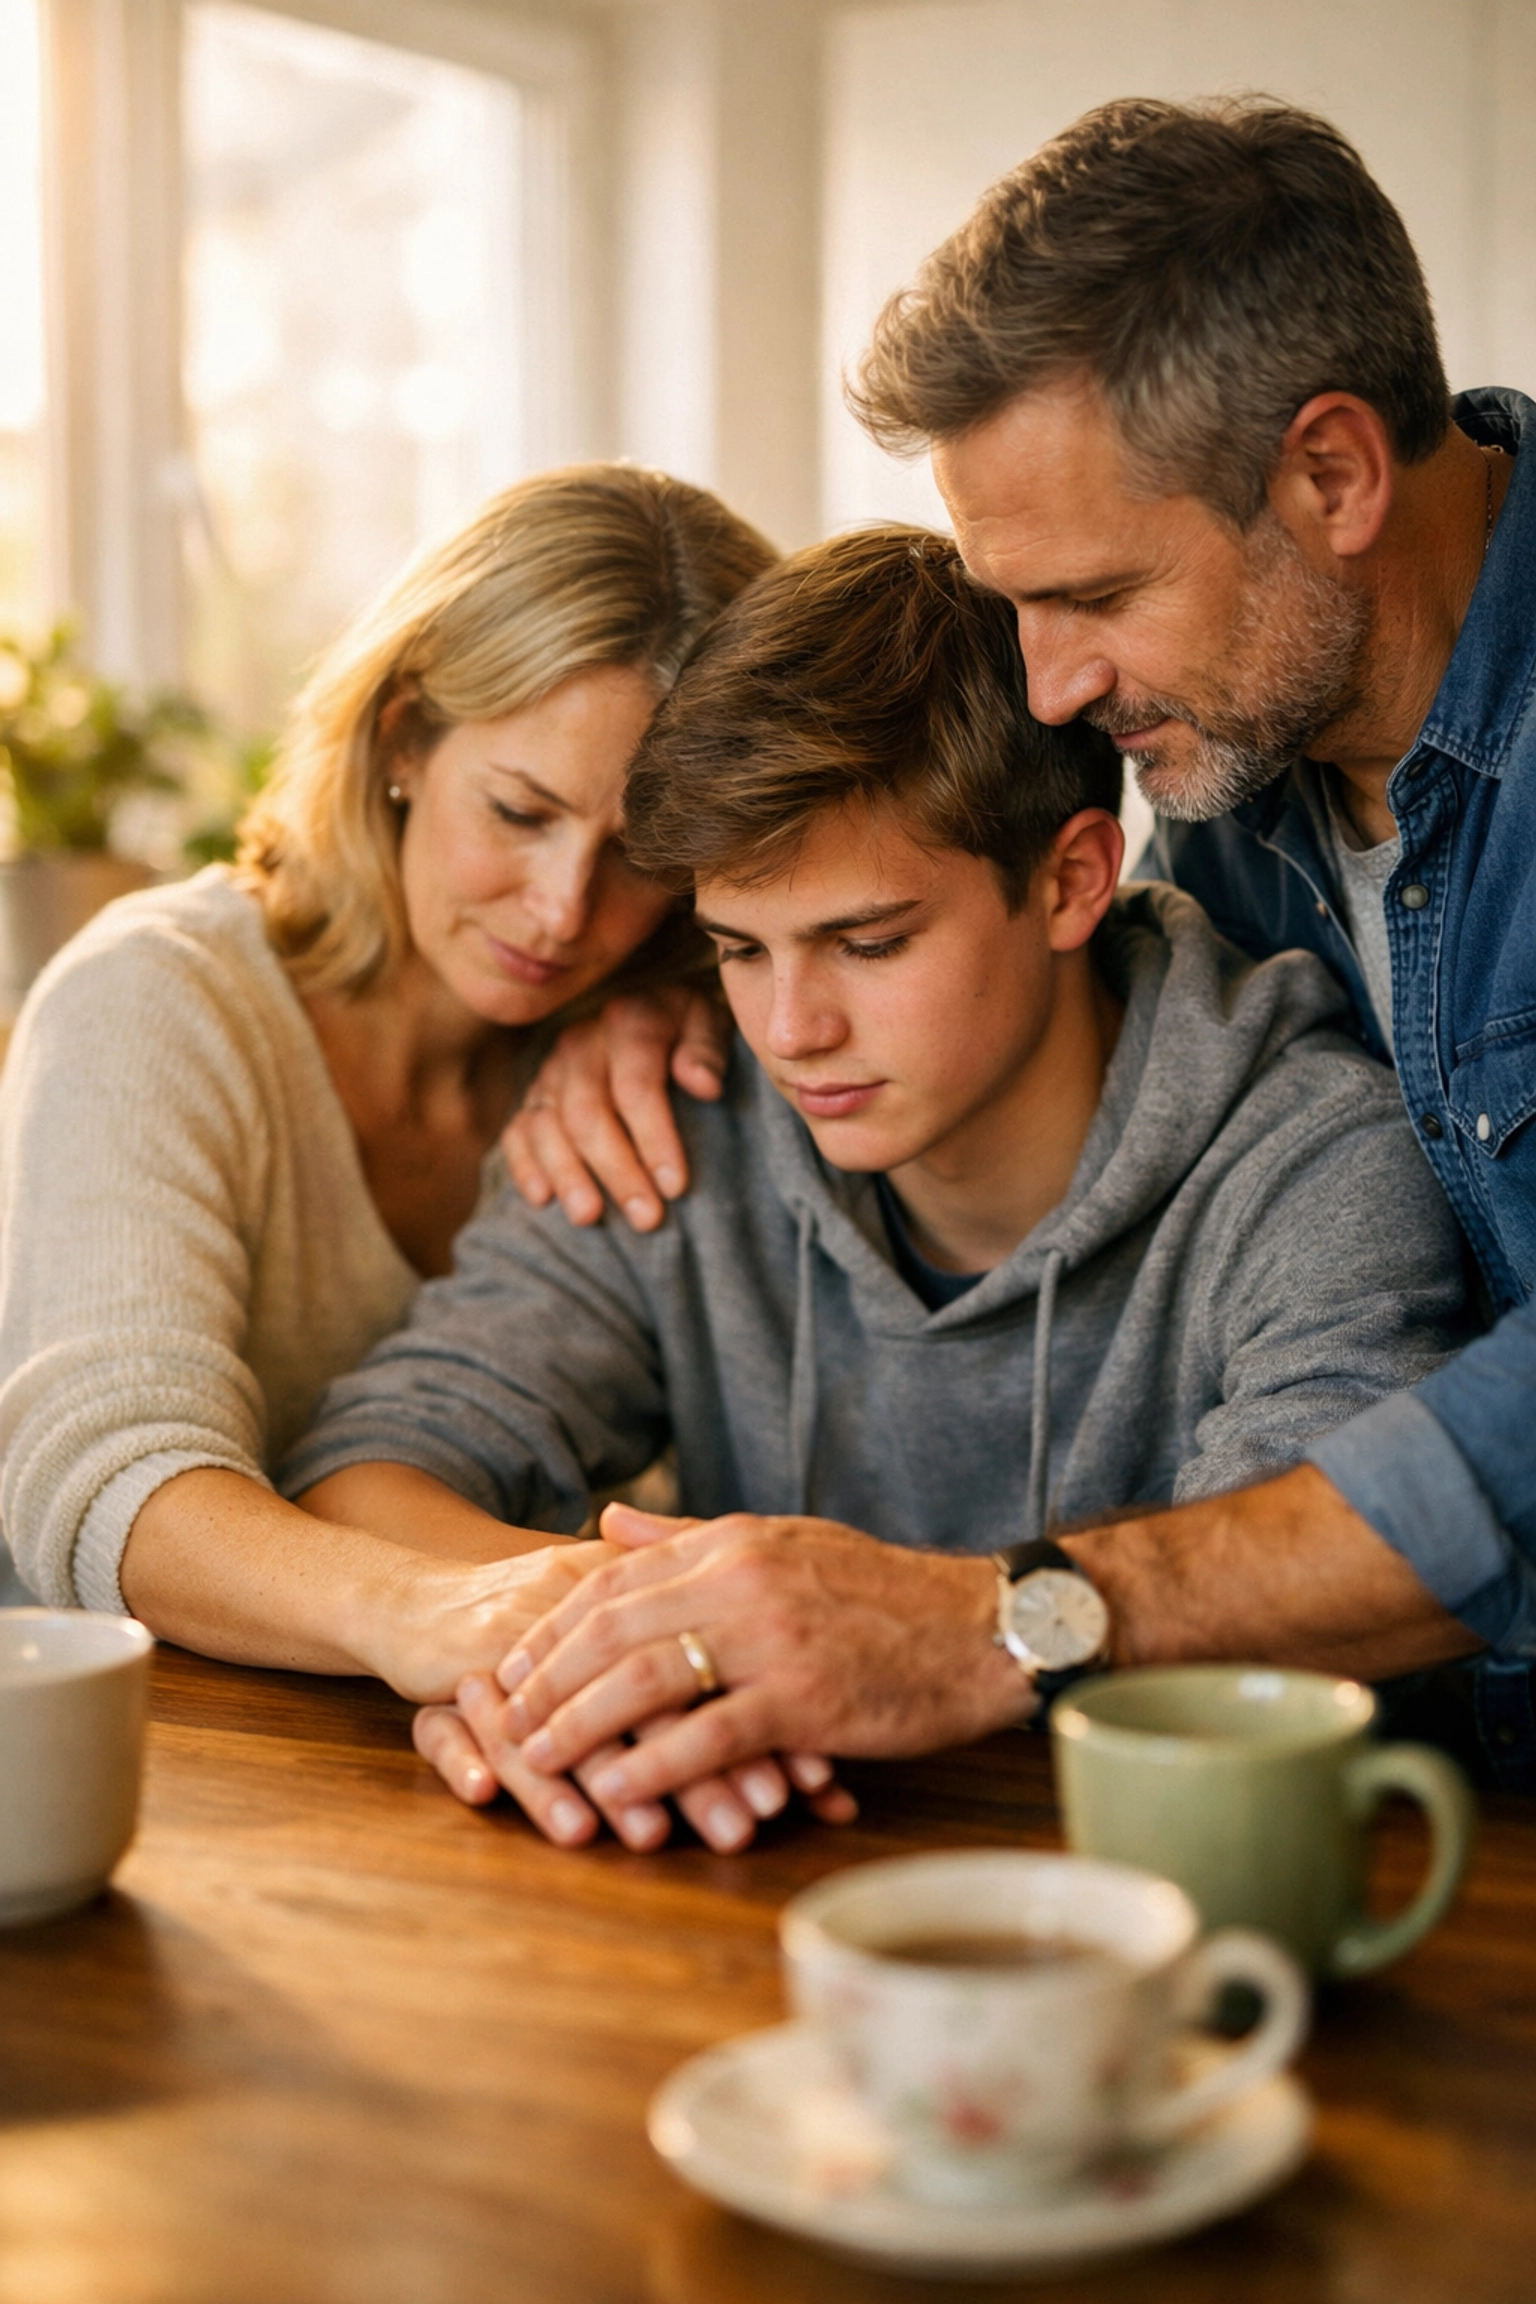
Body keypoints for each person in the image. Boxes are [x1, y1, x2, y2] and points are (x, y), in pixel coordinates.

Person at [497, 95, 1536, 1793]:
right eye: (1016, 605)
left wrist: (997, 1619)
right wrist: (668, 997)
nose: (1048, 684)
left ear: (1333, 472)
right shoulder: (1232, 768)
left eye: (1097, 598)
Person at [281, 527, 1467, 1827]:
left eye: (867, 942)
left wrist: (724, 1643)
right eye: (738, 948)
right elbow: (369, 1470)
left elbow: (1322, 1606)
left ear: (1073, 881)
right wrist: (650, 1650)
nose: (791, 1029)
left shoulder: (1311, 1162)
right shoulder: (676, 1117)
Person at [0, 462, 835, 1856]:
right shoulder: (157, 998)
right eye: (519, 812)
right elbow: (100, 1477)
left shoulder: (649, 1045)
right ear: (402, 737)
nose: (565, 909)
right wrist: (433, 1616)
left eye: (641, 855)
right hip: (134, 1793)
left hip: (467, 1773)